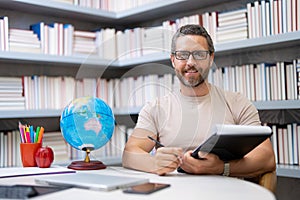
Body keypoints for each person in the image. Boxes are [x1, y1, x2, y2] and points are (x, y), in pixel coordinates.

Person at [122, 24, 276, 177]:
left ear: (211, 58)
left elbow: (267, 157)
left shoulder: (237, 103)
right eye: (182, 55)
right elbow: (129, 154)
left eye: (199, 54)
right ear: (173, 60)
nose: (190, 62)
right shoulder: (155, 108)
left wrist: (220, 167)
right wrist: (153, 163)